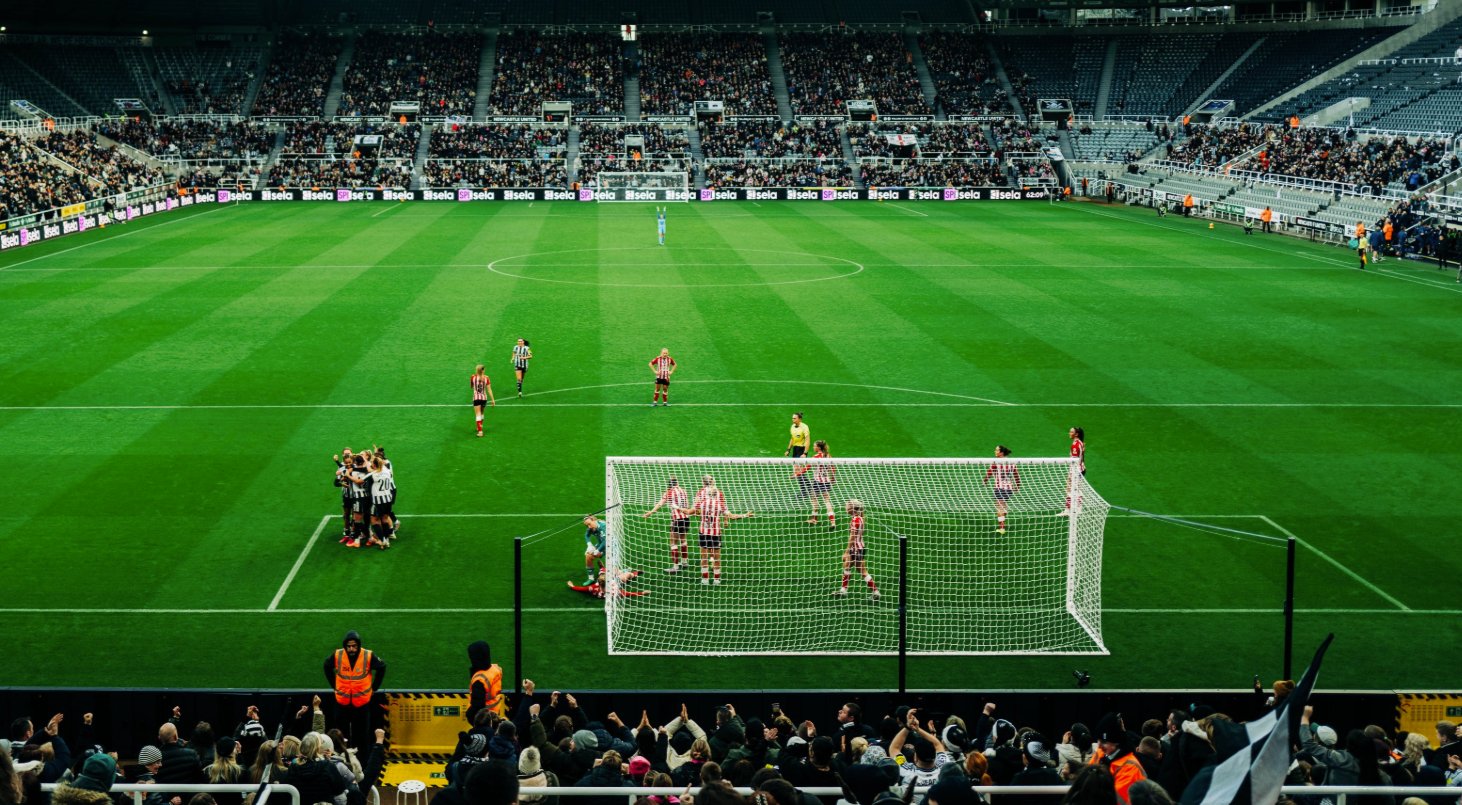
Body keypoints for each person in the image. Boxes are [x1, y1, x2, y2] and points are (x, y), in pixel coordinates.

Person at [684, 475, 753, 586]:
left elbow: (691, 512)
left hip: (703, 532)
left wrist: (678, 508)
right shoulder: (720, 505)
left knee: (704, 557)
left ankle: (705, 580)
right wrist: (745, 515)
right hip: (716, 532)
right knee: (717, 558)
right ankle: (716, 580)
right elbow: (732, 516)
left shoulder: (702, 503)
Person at [324, 631, 386, 746]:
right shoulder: (338, 655)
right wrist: (335, 685)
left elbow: (382, 667)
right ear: (345, 646)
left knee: (362, 737)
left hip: (361, 704)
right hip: (342, 703)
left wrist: (375, 687)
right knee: (341, 736)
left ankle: (362, 761)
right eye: (349, 646)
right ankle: (343, 759)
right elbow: (327, 666)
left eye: (354, 646)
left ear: (358, 646)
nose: (351, 649)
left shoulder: (368, 655)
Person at [643, 476, 690, 573]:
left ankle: (675, 567)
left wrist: (650, 512)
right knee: (683, 540)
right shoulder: (684, 491)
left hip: (677, 519)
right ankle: (685, 562)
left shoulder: (669, 492)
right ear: (677, 483)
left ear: (669, 484)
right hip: (686, 518)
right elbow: (688, 505)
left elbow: (660, 504)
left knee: (673, 543)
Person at [832, 499, 877, 601]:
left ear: (852, 508)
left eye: (847, 506)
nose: (845, 507)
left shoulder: (855, 520)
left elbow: (852, 537)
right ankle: (843, 590)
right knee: (847, 566)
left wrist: (846, 552)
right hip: (858, 547)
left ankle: (876, 592)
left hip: (856, 549)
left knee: (862, 571)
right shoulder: (860, 518)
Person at [794, 441, 836, 527]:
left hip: (817, 482)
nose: (813, 448)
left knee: (814, 500)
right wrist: (833, 477)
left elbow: (807, 468)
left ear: (818, 448)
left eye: (814, 446)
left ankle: (814, 519)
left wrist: (796, 474)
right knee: (827, 501)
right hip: (826, 481)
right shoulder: (828, 455)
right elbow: (833, 468)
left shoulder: (816, 457)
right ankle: (832, 522)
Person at [982, 445, 1020, 536]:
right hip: (1009, 489)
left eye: (997, 450)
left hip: (999, 488)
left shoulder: (997, 462)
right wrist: (1017, 486)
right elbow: (1016, 475)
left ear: (1001, 452)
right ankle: (1004, 515)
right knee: (1003, 505)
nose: (995, 451)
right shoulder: (1011, 462)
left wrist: (984, 481)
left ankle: (1002, 528)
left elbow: (989, 472)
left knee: (999, 507)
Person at [467, 642, 506, 724]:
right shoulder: (495, 669)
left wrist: (469, 714)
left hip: (484, 720)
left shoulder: (479, 681)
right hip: (495, 714)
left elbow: (477, 706)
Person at [1062, 427, 1085, 515]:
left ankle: (1068, 510)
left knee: (1069, 489)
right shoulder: (1080, 442)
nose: (1069, 433)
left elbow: (1074, 460)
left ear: (1076, 434)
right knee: (1077, 488)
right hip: (1081, 468)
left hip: (1076, 470)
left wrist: (1072, 473)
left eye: (1071, 432)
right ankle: (1077, 508)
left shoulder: (1075, 445)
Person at [472, 365, 496, 438]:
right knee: (481, 413)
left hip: (476, 398)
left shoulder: (473, 377)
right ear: (483, 370)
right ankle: (479, 427)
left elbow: (472, 386)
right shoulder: (486, 378)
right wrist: (493, 400)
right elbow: (489, 389)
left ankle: (480, 431)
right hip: (484, 398)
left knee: (478, 414)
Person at [582, 515, 606, 585]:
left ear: (593, 520)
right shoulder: (591, 527)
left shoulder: (603, 526)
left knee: (615, 572)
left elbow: (606, 541)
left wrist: (597, 550)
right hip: (601, 544)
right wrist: (589, 544)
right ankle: (591, 578)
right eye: (587, 525)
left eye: (589, 524)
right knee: (588, 556)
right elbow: (586, 535)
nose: (589, 527)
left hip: (611, 545)